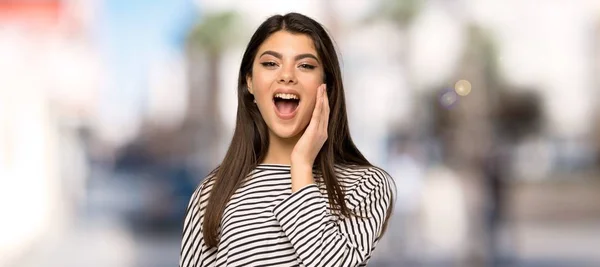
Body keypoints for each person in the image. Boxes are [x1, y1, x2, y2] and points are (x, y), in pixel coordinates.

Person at [179, 12, 395, 267]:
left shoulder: (367, 185)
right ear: (250, 82)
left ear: (326, 86)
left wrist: (302, 165)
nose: (287, 75)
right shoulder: (213, 192)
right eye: (271, 64)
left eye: (305, 65)